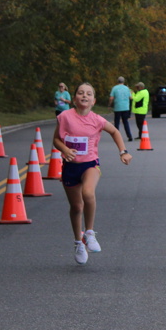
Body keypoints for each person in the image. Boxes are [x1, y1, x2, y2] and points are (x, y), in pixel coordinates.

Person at [52, 82, 132, 265]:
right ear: (74, 98)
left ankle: (89, 232)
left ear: (94, 101)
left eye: (88, 94)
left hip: (90, 165)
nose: (84, 96)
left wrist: (123, 152)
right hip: (70, 167)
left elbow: (115, 131)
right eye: (81, 93)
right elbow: (56, 139)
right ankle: (78, 242)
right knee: (76, 207)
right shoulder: (65, 117)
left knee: (88, 193)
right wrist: (65, 149)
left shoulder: (97, 120)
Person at [109, 76, 133, 142]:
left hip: (117, 107)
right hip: (125, 107)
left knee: (117, 122)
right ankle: (129, 136)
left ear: (117, 81)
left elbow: (111, 98)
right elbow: (130, 97)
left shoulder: (115, 88)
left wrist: (110, 105)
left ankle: (116, 137)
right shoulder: (127, 88)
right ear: (123, 81)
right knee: (125, 122)